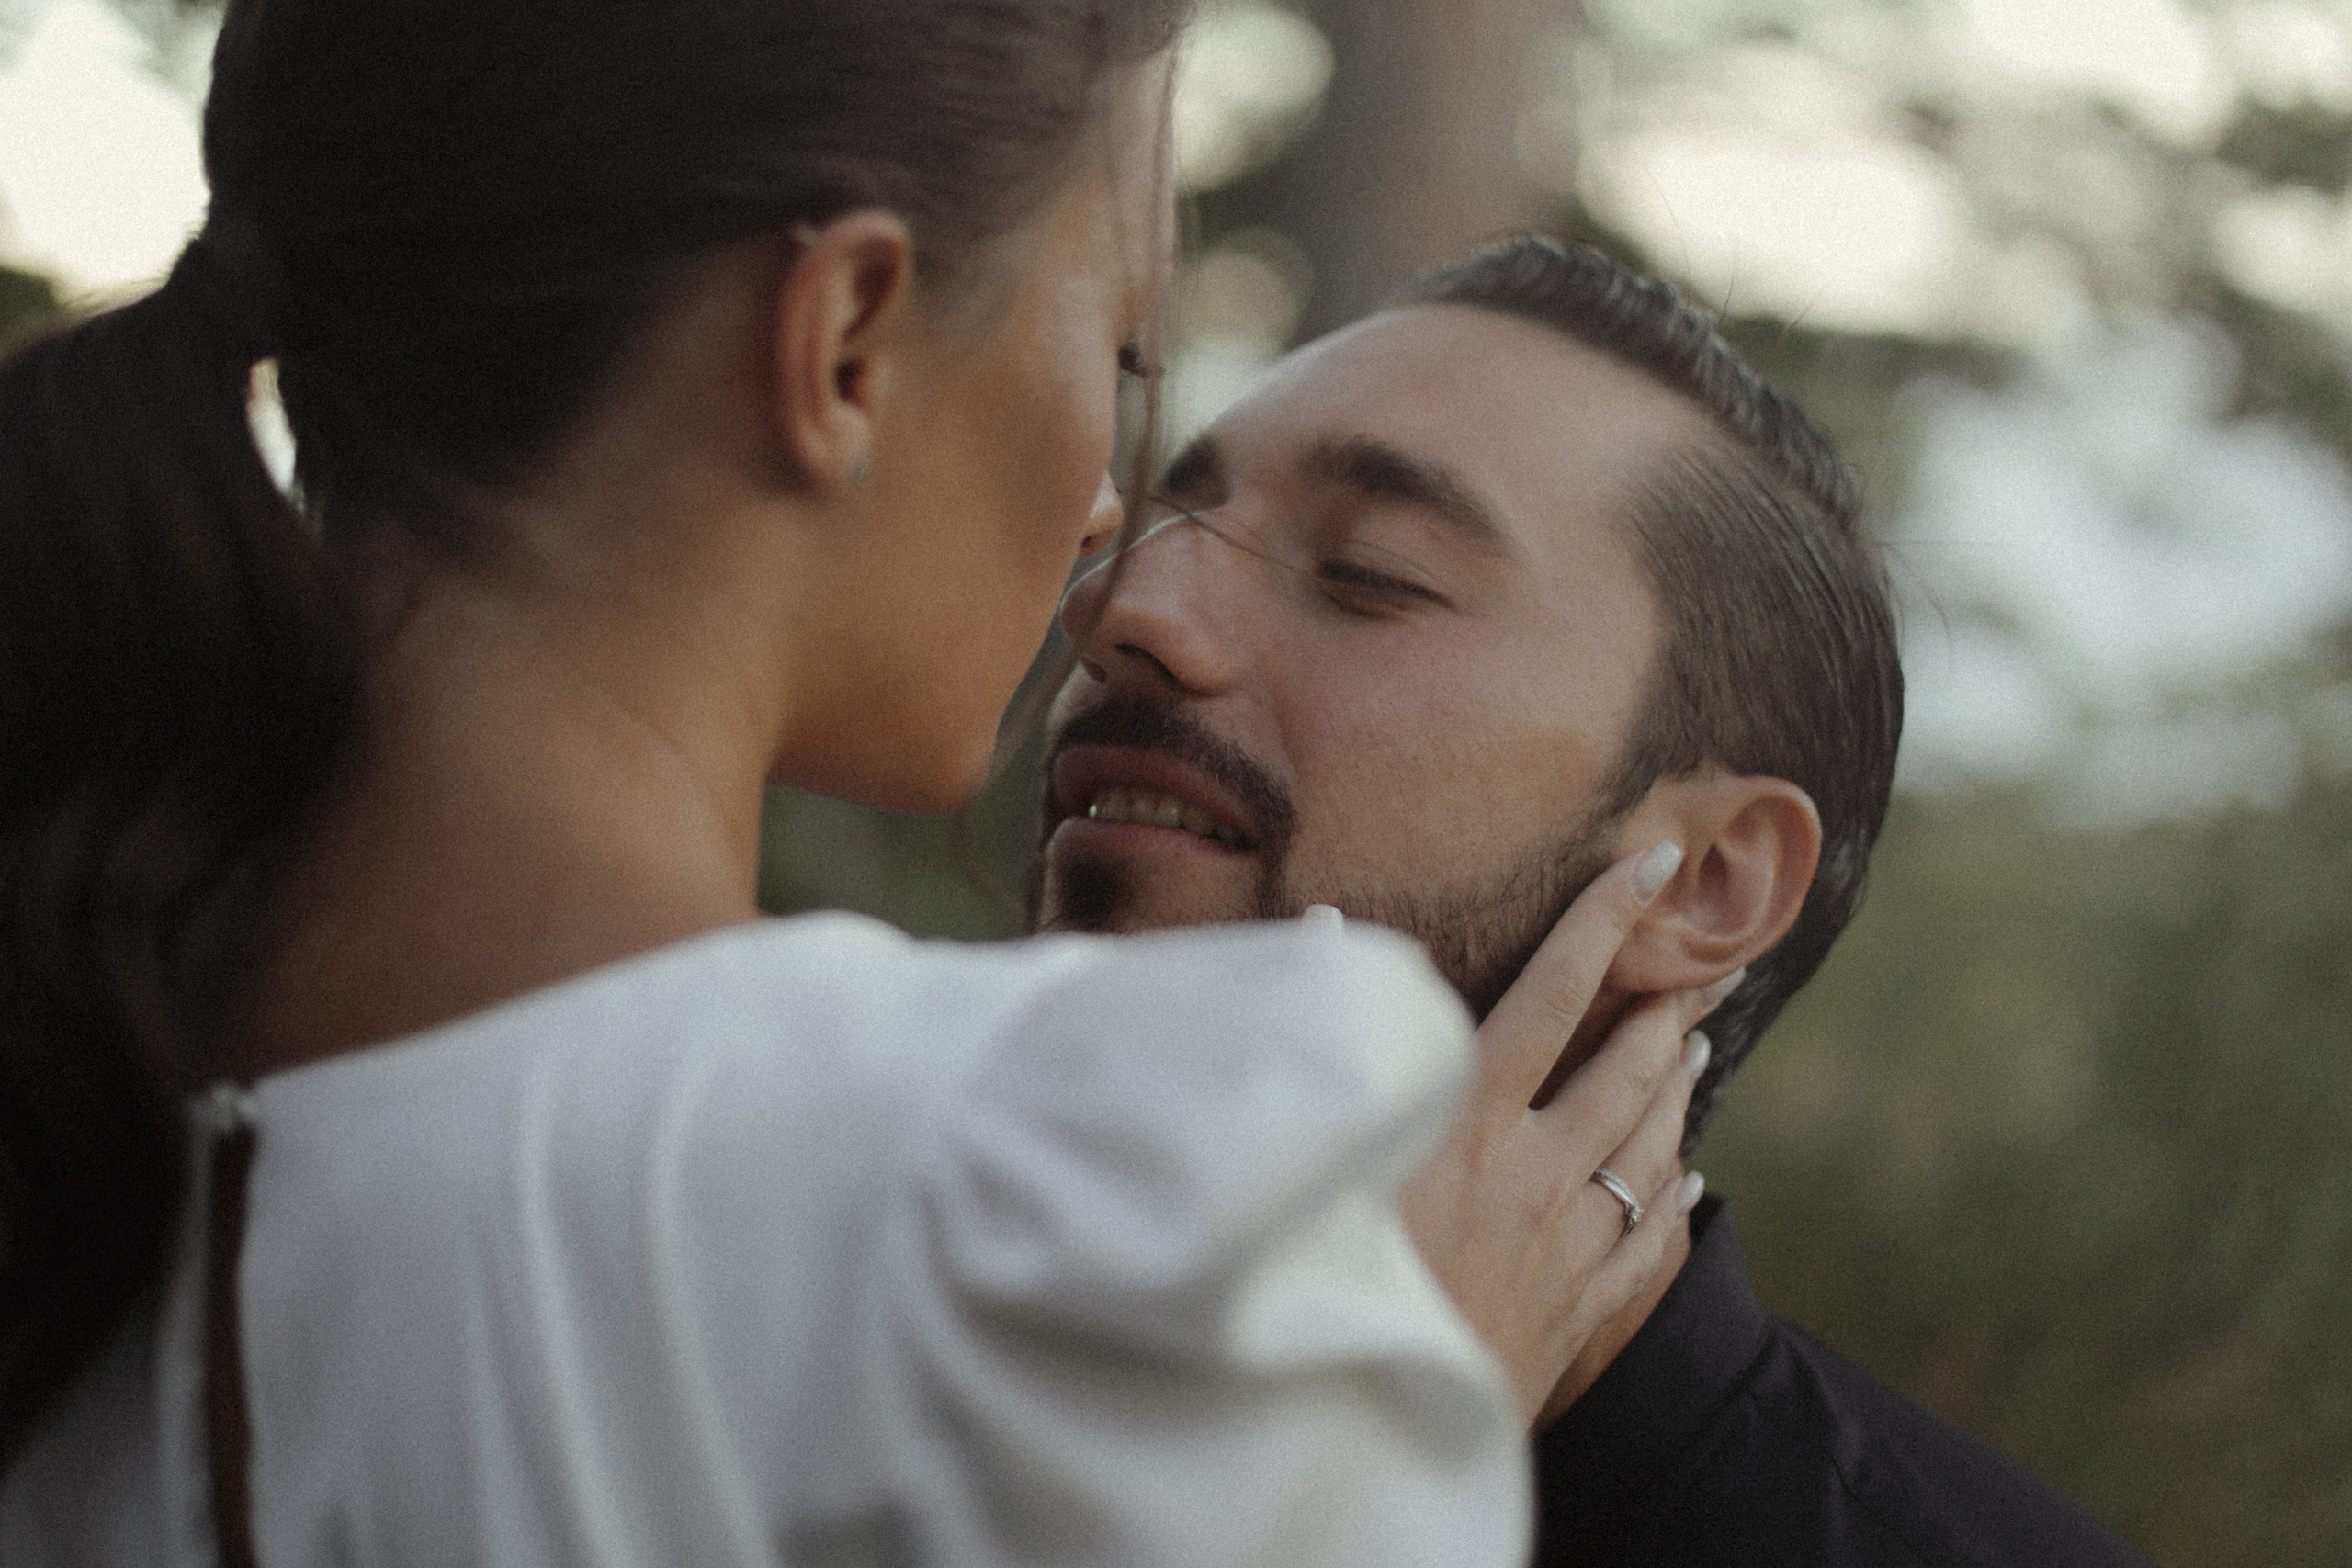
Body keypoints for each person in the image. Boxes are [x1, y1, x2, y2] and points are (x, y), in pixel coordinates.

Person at [0, 8, 1716, 1565]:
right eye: (1120, 355)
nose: (1115, 537)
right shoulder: (1075, 1223)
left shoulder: (87, 1117)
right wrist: (1377, 1434)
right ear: (842, 341)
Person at [1033, 234, 2154, 1567]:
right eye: (1167, 524)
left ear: (1708, 882)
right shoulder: (794, 1332)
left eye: (1370, 574)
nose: (1124, 601)